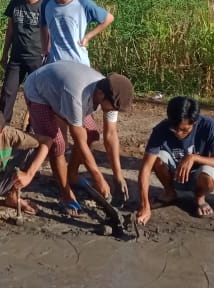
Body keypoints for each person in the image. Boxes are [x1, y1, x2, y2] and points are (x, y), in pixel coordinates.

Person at [22, 60, 132, 210]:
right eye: (113, 107)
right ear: (100, 94)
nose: (114, 110)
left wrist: (118, 175)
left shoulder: (110, 96)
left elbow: (111, 135)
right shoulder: (77, 95)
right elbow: (79, 140)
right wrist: (98, 177)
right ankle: (65, 193)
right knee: (58, 144)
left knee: (92, 134)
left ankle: (72, 175)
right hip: (39, 91)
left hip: (62, 88)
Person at [137, 96, 214, 221]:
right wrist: (144, 205)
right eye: (174, 128)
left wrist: (193, 158)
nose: (178, 133)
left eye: (184, 130)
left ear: (194, 123)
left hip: (201, 176)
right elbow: (145, 170)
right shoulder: (160, 129)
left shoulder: (208, 125)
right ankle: (169, 193)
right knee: (156, 159)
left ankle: (199, 197)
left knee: (209, 175)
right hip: (175, 176)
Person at [40, 0, 113, 65]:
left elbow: (108, 18)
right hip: (55, 63)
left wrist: (87, 37)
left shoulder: (83, 4)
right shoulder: (46, 4)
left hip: (78, 62)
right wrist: (45, 48)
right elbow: (43, 26)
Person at [0, 0, 44, 123]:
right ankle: (2, 126)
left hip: (36, 57)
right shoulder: (15, 4)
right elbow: (10, 30)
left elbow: (48, 33)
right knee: (8, 91)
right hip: (17, 57)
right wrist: (5, 53)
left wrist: (47, 54)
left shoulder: (43, 7)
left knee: (36, 95)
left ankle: (34, 128)